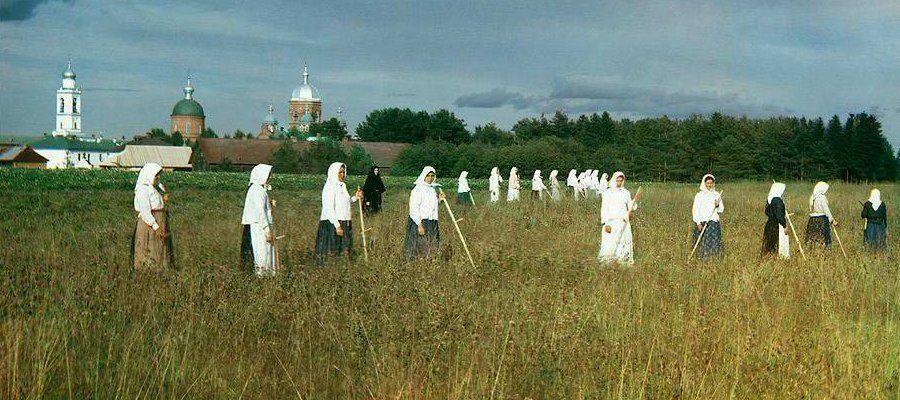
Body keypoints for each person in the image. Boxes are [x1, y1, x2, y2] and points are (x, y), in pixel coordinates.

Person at [315, 162, 363, 266]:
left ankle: (342, 270)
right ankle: (329, 273)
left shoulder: (343, 186)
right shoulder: (329, 187)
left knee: (344, 250)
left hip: (344, 222)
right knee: (332, 251)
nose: (342, 175)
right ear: (334, 173)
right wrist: (337, 226)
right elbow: (329, 208)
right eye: (340, 172)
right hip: (332, 224)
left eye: (344, 172)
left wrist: (356, 197)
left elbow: (345, 202)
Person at [131, 163, 173, 271]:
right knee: (150, 246)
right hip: (149, 224)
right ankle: (148, 272)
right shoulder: (143, 189)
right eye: (156, 176)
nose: (158, 178)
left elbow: (155, 203)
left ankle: (159, 272)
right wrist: (156, 226)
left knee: (159, 247)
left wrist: (163, 199)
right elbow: (145, 212)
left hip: (159, 220)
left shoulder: (152, 188)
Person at [241, 164, 277, 276]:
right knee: (261, 253)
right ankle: (262, 276)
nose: (269, 177)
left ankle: (263, 275)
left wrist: (269, 205)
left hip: (258, 225)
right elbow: (260, 212)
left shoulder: (258, 190)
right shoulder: (257, 190)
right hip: (258, 227)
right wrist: (267, 230)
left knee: (262, 253)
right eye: (267, 175)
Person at [598, 171, 638, 265]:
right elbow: (604, 209)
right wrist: (606, 223)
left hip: (623, 221)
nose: (619, 183)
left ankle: (622, 261)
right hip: (611, 222)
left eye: (621, 181)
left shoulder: (626, 192)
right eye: (617, 180)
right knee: (610, 242)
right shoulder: (607, 193)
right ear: (613, 180)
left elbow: (630, 205)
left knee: (623, 241)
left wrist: (632, 206)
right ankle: (608, 262)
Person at [405, 166, 444, 259]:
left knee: (431, 244)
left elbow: (430, 206)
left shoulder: (432, 189)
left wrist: (439, 200)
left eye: (432, 176)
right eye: (428, 176)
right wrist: (419, 225)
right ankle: (414, 265)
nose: (430, 178)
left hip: (432, 221)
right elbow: (413, 208)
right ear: (424, 176)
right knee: (417, 245)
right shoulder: (418, 189)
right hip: (420, 221)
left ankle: (428, 263)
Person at [691, 174, 724, 260]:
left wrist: (717, 205)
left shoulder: (716, 195)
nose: (709, 185)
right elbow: (695, 209)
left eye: (711, 183)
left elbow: (721, 210)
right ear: (704, 183)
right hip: (702, 222)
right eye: (707, 183)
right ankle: (702, 259)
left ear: (713, 183)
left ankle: (715, 259)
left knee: (714, 242)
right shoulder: (699, 195)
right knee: (702, 241)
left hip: (713, 222)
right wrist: (698, 223)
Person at [761, 182, 790, 259]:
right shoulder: (777, 201)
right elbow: (779, 216)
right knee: (778, 242)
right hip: (777, 225)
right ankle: (779, 259)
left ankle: (769, 258)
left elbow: (767, 212)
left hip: (770, 224)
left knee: (770, 243)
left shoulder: (770, 199)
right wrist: (784, 226)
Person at [804, 181, 837, 250]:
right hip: (822, 219)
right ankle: (826, 251)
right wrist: (832, 220)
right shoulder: (822, 197)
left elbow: (810, 209)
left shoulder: (812, 197)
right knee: (824, 236)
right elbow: (826, 210)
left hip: (813, 219)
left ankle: (814, 250)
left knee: (814, 237)